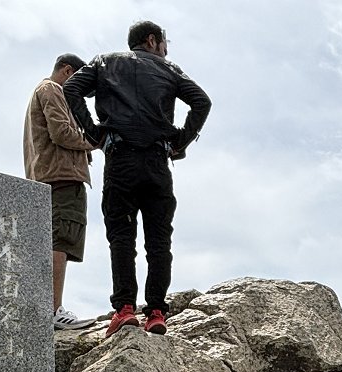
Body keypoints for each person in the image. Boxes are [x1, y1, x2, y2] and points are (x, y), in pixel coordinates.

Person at [64, 21, 212, 337]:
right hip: (158, 161)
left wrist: (94, 134)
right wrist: (180, 141)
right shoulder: (170, 69)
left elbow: (71, 88)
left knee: (121, 236)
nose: (166, 50)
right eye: (165, 43)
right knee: (159, 240)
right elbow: (202, 101)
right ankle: (156, 312)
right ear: (152, 40)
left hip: (120, 159)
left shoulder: (104, 61)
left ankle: (125, 310)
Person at [23, 53, 97, 330]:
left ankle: (49, 309)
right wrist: (94, 141)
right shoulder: (52, 89)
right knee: (60, 239)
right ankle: (53, 310)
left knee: (55, 239)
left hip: (49, 175)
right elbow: (62, 132)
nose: (80, 93)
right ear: (68, 71)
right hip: (61, 177)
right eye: (79, 83)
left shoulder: (43, 90)